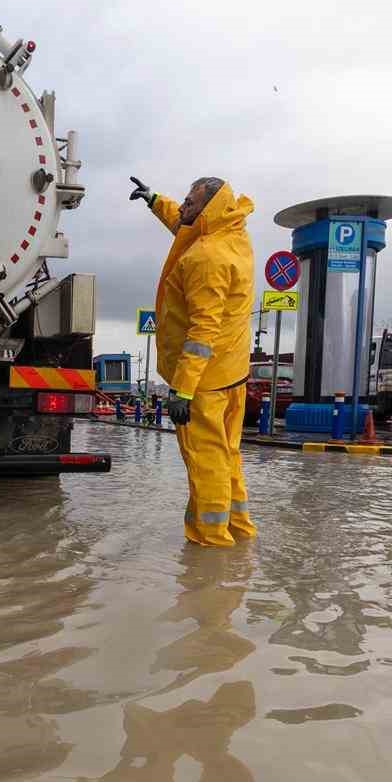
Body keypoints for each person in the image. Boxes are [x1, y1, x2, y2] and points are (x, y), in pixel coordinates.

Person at [129, 175, 257, 546]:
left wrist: (182, 390)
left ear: (207, 210)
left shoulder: (206, 258)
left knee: (206, 461)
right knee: (227, 455)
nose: (182, 206)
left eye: (190, 201)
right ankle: (239, 530)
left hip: (203, 383)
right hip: (231, 372)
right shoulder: (230, 235)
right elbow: (185, 223)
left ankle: (210, 543)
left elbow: (202, 332)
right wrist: (155, 200)